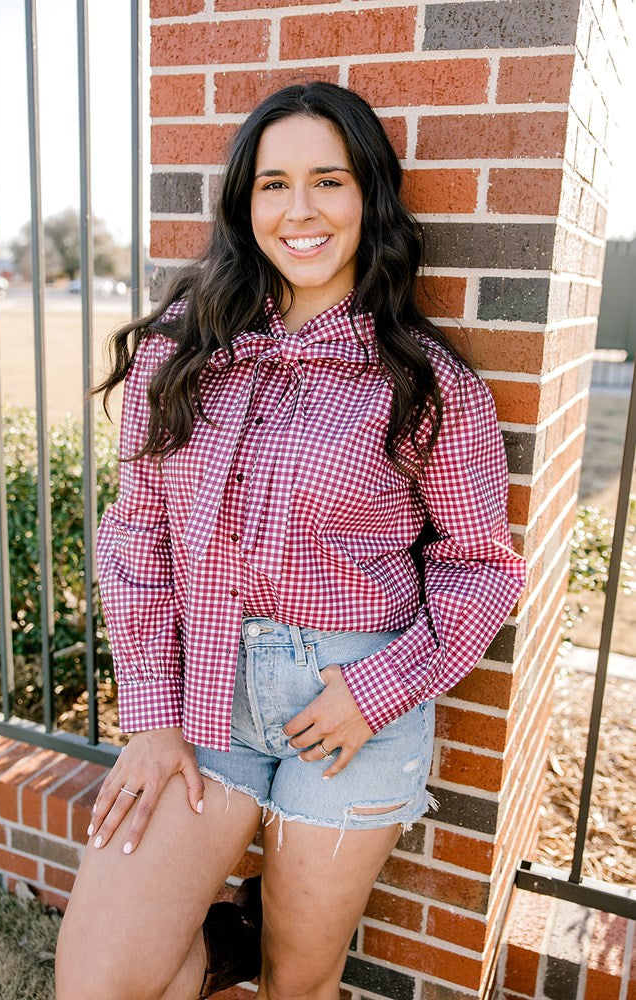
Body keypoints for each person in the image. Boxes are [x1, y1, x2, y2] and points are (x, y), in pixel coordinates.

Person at [55, 81, 527, 1000]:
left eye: (329, 181)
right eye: (272, 183)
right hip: (203, 697)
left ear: (370, 201)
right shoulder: (179, 353)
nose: (299, 210)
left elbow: (479, 569)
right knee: (100, 982)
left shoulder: (427, 386)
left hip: (355, 713)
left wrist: (376, 688)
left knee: (297, 978)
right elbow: (136, 530)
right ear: (244, 204)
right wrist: (150, 715)